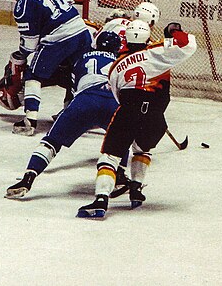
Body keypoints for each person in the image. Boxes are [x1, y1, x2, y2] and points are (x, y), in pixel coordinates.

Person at [77, 19, 197, 219]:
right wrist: (173, 32)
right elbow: (188, 43)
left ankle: (100, 200)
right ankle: (136, 189)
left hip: (129, 110)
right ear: (147, 37)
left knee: (110, 156)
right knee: (142, 149)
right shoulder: (158, 51)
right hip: (156, 117)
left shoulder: (115, 66)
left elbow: (118, 95)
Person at [5, 31, 124, 199]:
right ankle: (119, 177)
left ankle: (27, 179)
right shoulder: (121, 63)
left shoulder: (81, 58)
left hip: (84, 101)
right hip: (112, 103)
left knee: (50, 142)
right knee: (121, 143)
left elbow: (73, 90)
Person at [1, 0, 92, 136]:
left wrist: (19, 56)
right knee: (75, 73)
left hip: (59, 38)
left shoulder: (22, 8)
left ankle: (30, 121)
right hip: (81, 31)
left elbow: (30, 45)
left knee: (33, 75)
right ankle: (69, 115)